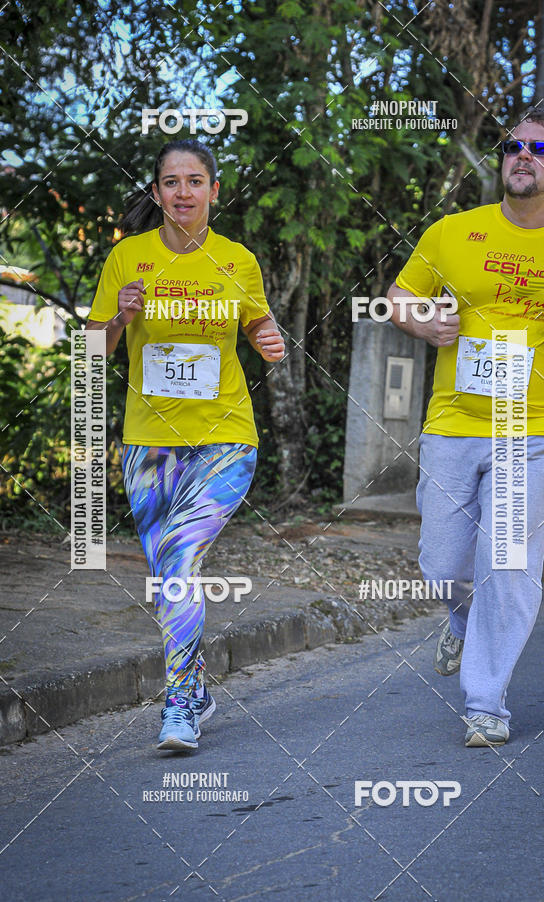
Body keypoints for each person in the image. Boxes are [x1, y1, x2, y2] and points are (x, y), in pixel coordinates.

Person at [387, 110, 544, 747]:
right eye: (513, 146)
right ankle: (459, 620)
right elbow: (400, 297)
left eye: (540, 148)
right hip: (454, 422)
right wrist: (423, 323)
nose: (522, 156)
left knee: (507, 563)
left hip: (534, 428)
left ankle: (487, 701)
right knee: (444, 563)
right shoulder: (453, 233)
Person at [86, 138, 285, 751]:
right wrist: (118, 316)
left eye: (194, 181)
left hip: (225, 438)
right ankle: (195, 685)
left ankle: (177, 707)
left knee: (178, 556)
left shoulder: (237, 260)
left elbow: (256, 322)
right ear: (156, 193)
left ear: (213, 191)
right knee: (170, 575)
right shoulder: (128, 259)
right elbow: (94, 352)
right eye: (170, 182)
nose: (182, 192)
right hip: (150, 443)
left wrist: (269, 338)